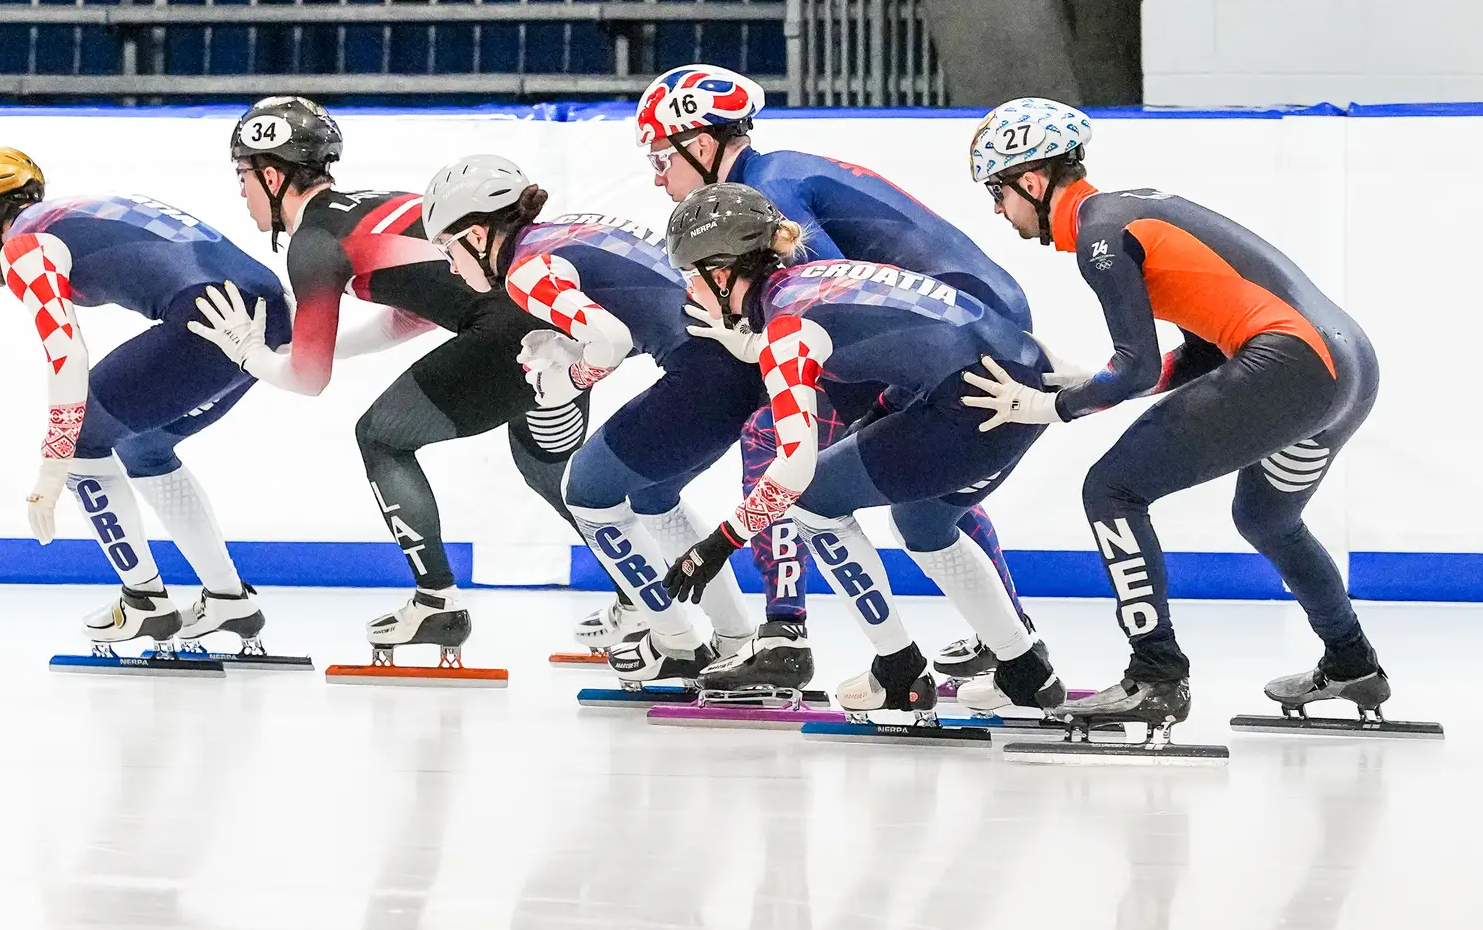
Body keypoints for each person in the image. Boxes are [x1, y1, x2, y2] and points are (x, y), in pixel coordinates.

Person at [960, 97, 1387, 734]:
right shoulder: (1129, 211)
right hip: (1347, 366)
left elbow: (1134, 366)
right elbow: (1203, 348)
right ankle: (1354, 663)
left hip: (1294, 363)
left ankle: (1156, 676)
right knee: (1267, 517)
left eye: (997, 192)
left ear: (1033, 179)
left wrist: (1049, 405)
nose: (998, 211)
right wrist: (1094, 381)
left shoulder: (1100, 236)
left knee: (1112, 489)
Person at [638, 63, 1043, 681]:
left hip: (953, 330)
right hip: (983, 321)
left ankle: (784, 634)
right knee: (929, 495)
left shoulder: (765, 194)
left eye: (662, 162)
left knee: (773, 441)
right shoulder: (777, 173)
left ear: (700, 144)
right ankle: (1013, 641)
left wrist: (722, 538)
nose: (661, 183)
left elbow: (823, 299)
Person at [186, 97, 587, 665]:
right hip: (559, 317)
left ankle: (436, 602)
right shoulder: (371, 206)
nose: (242, 194)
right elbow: (422, 307)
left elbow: (307, 379)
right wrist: (331, 350)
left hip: (509, 333)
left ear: (273, 176)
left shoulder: (314, 243)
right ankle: (653, 603)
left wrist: (249, 351)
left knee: (381, 437)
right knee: (564, 483)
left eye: (244, 177)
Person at [656, 183, 1069, 719]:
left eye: (693, 275)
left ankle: (898, 671)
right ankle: (1029, 675)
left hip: (971, 406)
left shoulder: (788, 328)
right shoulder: (807, 282)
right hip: (1017, 383)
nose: (691, 291)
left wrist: (717, 544)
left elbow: (793, 469)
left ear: (724, 270)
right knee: (922, 525)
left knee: (812, 503)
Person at [420, 154, 766, 685]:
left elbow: (611, 340)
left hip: (705, 373)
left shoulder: (526, 270)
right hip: (738, 364)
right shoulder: (564, 232)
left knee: (585, 490)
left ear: (475, 233)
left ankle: (676, 640)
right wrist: (567, 344)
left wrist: (568, 378)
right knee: (652, 498)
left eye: (446, 247)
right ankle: (735, 638)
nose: (448, 266)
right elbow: (647, 307)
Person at [0, 146, 286, 649]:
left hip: (210, 319)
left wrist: (53, 467)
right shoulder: (80, 209)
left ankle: (144, 601)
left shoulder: (24, 245)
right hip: (268, 312)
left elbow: (66, 356)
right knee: (143, 447)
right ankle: (229, 598)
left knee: (81, 439)